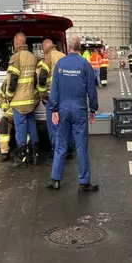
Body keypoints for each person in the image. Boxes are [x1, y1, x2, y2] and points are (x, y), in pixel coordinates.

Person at [46, 35, 99, 192]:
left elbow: (54, 90)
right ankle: (84, 182)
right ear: (79, 47)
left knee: (60, 145)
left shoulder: (60, 64)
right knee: (81, 147)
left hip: (63, 109)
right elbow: (92, 89)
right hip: (79, 109)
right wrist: (93, 109)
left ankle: (55, 179)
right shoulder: (84, 64)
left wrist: (54, 109)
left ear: (68, 47)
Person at [36, 38, 73, 165]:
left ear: (45, 48)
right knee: (65, 124)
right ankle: (67, 150)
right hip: (67, 97)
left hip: (53, 98)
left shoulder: (47, 58)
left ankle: (55, 152)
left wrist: (42, 94)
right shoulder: (64, 56)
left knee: (53, 126)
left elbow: (41, 78)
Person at [5, 32, 40, 167]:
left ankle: (22, 158)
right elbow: (36, 79)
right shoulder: (33, 57)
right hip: (31, 101)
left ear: (18, 43)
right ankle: (34, 155)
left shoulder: (15, 58)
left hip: (19, 102)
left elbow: (13, 80)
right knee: (32, 126)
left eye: (15, 42)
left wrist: (8, 96)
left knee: (20, 129)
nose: (14, 45)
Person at [0, 77, 18, 162]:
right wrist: (6, 108)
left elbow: (35, 97)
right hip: (10, 114)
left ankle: (23, 151)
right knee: (3, 122)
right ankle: (4, 153)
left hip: (23, 113)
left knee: (25, 127)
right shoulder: (6, 83)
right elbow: (0, 96)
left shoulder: (27, 83)